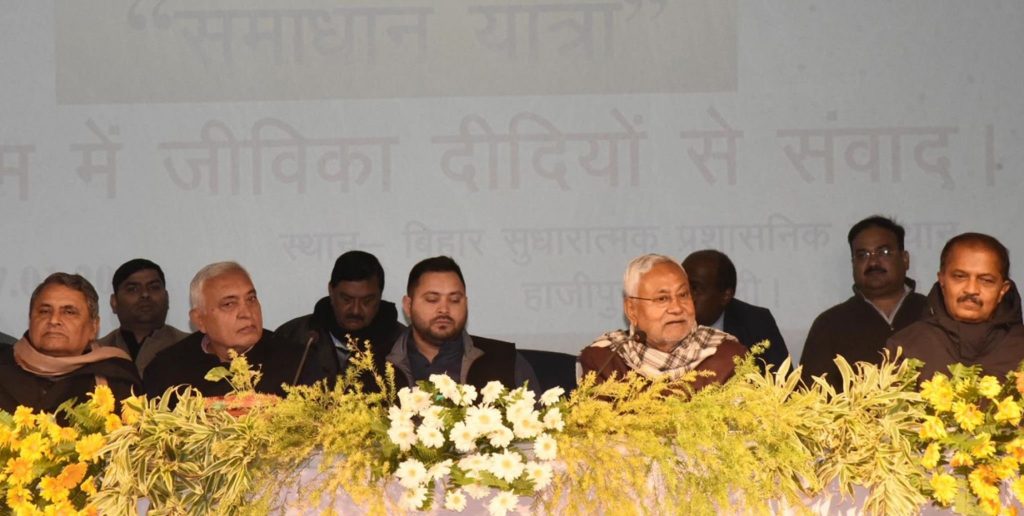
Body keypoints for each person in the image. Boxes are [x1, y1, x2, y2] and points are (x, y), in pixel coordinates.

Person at [578, 254, 746, 391]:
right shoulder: (605, 361)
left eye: (683, 295)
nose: (676, 308)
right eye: (662, 298)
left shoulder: (728, 356)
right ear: (632, 310)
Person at [799, 216, 929, 391]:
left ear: (905, 259)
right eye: (863, 255)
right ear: (853, 264)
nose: (873, 262)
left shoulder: (933, 313)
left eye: (883, 252)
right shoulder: (830, 324)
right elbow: (810, 397)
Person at [144, 262, 300, 398]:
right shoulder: (166, 370)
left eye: (251, 299)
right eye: (229, 304)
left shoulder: (298, 362)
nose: (246, 313)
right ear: (199, 320)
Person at [386, 256, 538, 390]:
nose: (444, 309)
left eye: (454, 300)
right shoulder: (372, 364)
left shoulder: (506, 360)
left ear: (465, 304)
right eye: (432, 299)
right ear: (407, 306)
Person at [887, 233, 1024, 381]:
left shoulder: (1019, 348)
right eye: (960, 276)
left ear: (1003, 290)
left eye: (986, 280)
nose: (971, 290)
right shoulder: (905, 347)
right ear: (942, 280)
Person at [0, 273, 141, 414]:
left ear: (93, 327)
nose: (54, 320)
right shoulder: (4, 363)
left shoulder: (115, 377)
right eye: (44, 311)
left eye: (69, 312)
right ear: (30, 319)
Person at [276, 251, 405, 388]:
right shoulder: (294, 336)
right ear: (331, 291)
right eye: (347, 300)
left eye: (367, 301)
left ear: (380, 296)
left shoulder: (401, 343)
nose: (356, 310)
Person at [682, 249, 790, 371]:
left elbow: (782, 382)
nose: (687, 296)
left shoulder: (757, 322)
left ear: (725, 296)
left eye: (696, 289)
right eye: (683, 288)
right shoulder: (665, 320)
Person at [97, 259, 189, 375]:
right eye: (133, 289)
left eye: (154, 287)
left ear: (166, 297)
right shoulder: (94, 354)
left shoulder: (193, 348)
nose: (145, 294)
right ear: (114, 302)